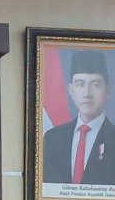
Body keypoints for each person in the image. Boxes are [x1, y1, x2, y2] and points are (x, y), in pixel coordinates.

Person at [42, 50, 115, 187]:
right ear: (71, 90)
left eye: (95, 85)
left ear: (107, 90)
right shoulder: (52, 138)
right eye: (80, 84)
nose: (87, 93)